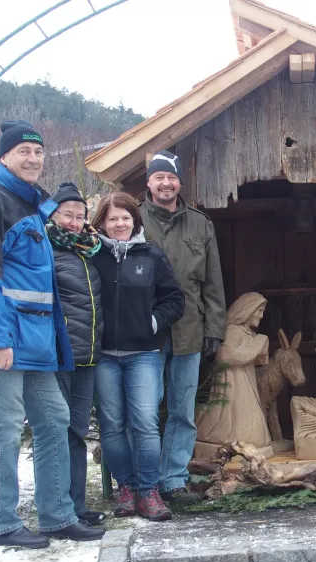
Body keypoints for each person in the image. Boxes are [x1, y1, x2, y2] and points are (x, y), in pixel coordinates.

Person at [0, 120, 105, 547]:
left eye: (38, 152)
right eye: (23, 151)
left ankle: (57, 515)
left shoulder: (30, 206)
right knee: (3, 427)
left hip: (35, 342)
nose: (33, 159)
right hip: (4, 342)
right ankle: (0, 524)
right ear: (4, 156)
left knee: (54, 419)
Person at [91, 191, 185, 521]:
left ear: (136, 221)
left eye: (126, 218)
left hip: (143, 354)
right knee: (113, 426)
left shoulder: (151, 257)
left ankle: (149, 492)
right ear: (102, 221)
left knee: (145, 422)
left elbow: (174, 299)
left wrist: (153, 322)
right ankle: (127, 489)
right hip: (103, 356)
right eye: (113, 218)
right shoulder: (92, 256)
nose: (120, 224)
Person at [138, 151, 226, 502]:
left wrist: (215, 328)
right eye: (159, 177)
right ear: (149, 182)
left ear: (179, 183)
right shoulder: (135, 218)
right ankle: (142, 483)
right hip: (146, 331)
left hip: (190, 329)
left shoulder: (200, 223)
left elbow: (213, 281)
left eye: (171, 177)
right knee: (145, 408)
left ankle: (173, 480)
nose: (166, 183)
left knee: (182, 409)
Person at [46, 182, 106, 527]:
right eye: (66, 214)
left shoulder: (89, 251)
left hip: (88, 356)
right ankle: (57, 508)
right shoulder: (44, 248)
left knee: (76, 432)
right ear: (52, 215)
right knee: (55, 431)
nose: (73, 221)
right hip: (57, 355)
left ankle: (76, 507)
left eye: (79, 215)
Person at [196, 292, 271, 449]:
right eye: (259, 310)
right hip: (233, 387)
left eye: (262, 311)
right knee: (247, 433)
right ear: (247, 310)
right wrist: (257, 345)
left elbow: (260, 360)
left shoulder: (249, 334)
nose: (261, 315)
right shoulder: (231, 331)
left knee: (255, 434)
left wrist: (260, 348)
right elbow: (227, 356)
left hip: (246, 384)